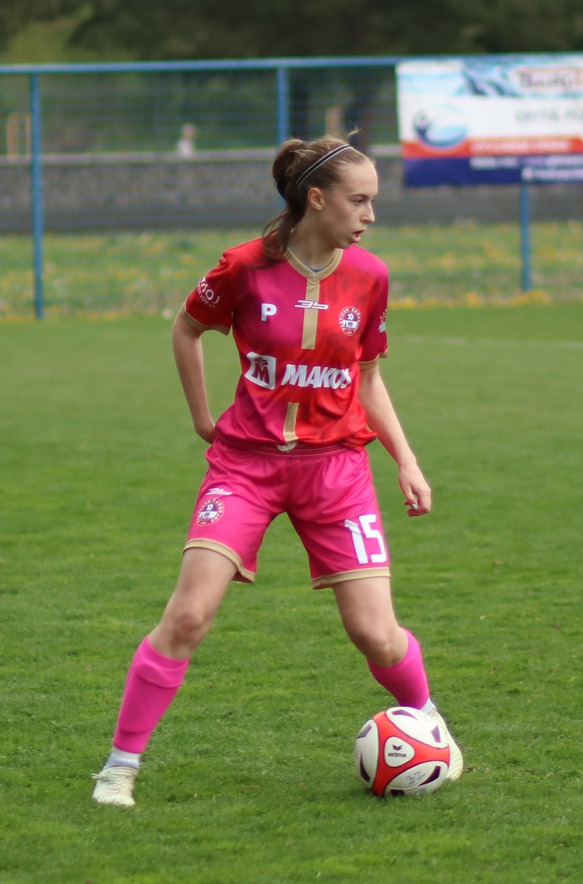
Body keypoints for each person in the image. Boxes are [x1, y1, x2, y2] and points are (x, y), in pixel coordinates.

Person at [92, 136, 462, 807]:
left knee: (377, 635)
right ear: (315, 199)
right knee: (188, 615)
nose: (371, 215)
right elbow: (186, 328)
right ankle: (119, 768)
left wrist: (406, 461)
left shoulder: (370, 277)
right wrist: (202, 416)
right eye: (359, 200)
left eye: (373, 201)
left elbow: (368, 379)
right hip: (246, 467)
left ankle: (429, 725)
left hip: (337, 471)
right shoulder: (243, 267)